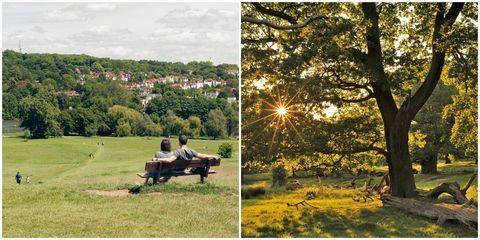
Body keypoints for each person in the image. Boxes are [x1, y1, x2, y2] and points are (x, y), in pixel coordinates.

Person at [152, 135, 220, 171]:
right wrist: (213, 156)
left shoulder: (177, 152)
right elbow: (202, 156)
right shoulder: (191, 151)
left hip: (178, 170)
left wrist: (157, 159)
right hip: (184, 169)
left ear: (179, 142)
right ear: (187, 142)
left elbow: (169, 160)